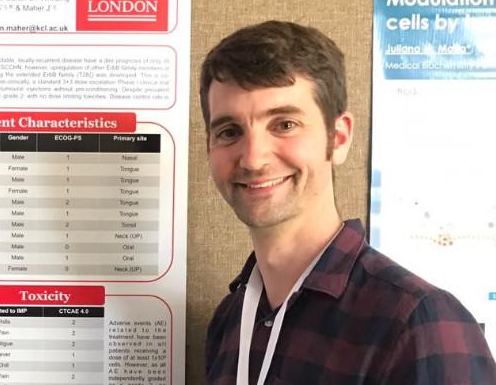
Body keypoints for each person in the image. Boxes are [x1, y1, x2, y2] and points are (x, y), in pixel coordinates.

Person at [200, 20, 495, 384]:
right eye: (230, 132)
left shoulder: (419, 323)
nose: (253, 158)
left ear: (338, 138)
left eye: (284, 124)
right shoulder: (230, 320)